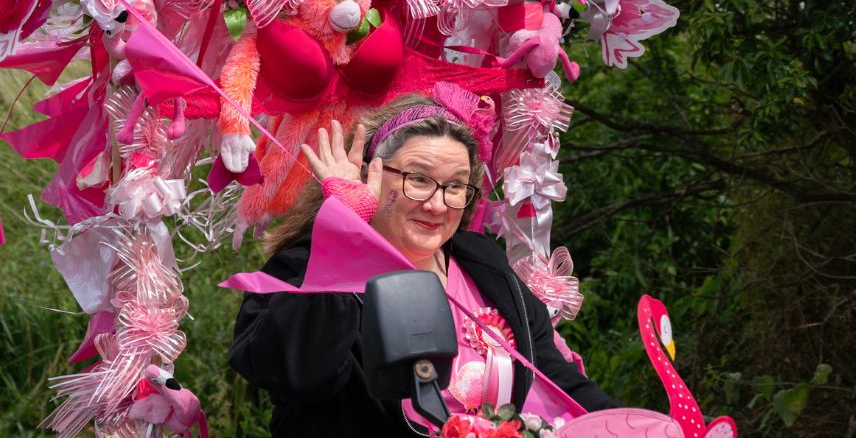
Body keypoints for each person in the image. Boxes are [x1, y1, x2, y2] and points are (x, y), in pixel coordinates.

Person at [228, 87, 621, 437]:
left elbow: (554, 376)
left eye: (455, 186)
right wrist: (343, 233)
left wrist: (634, 425)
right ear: (370, 175)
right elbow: (299, 375)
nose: (436, 204)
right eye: (418, 179)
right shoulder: (302, 270)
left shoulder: (483, 264)